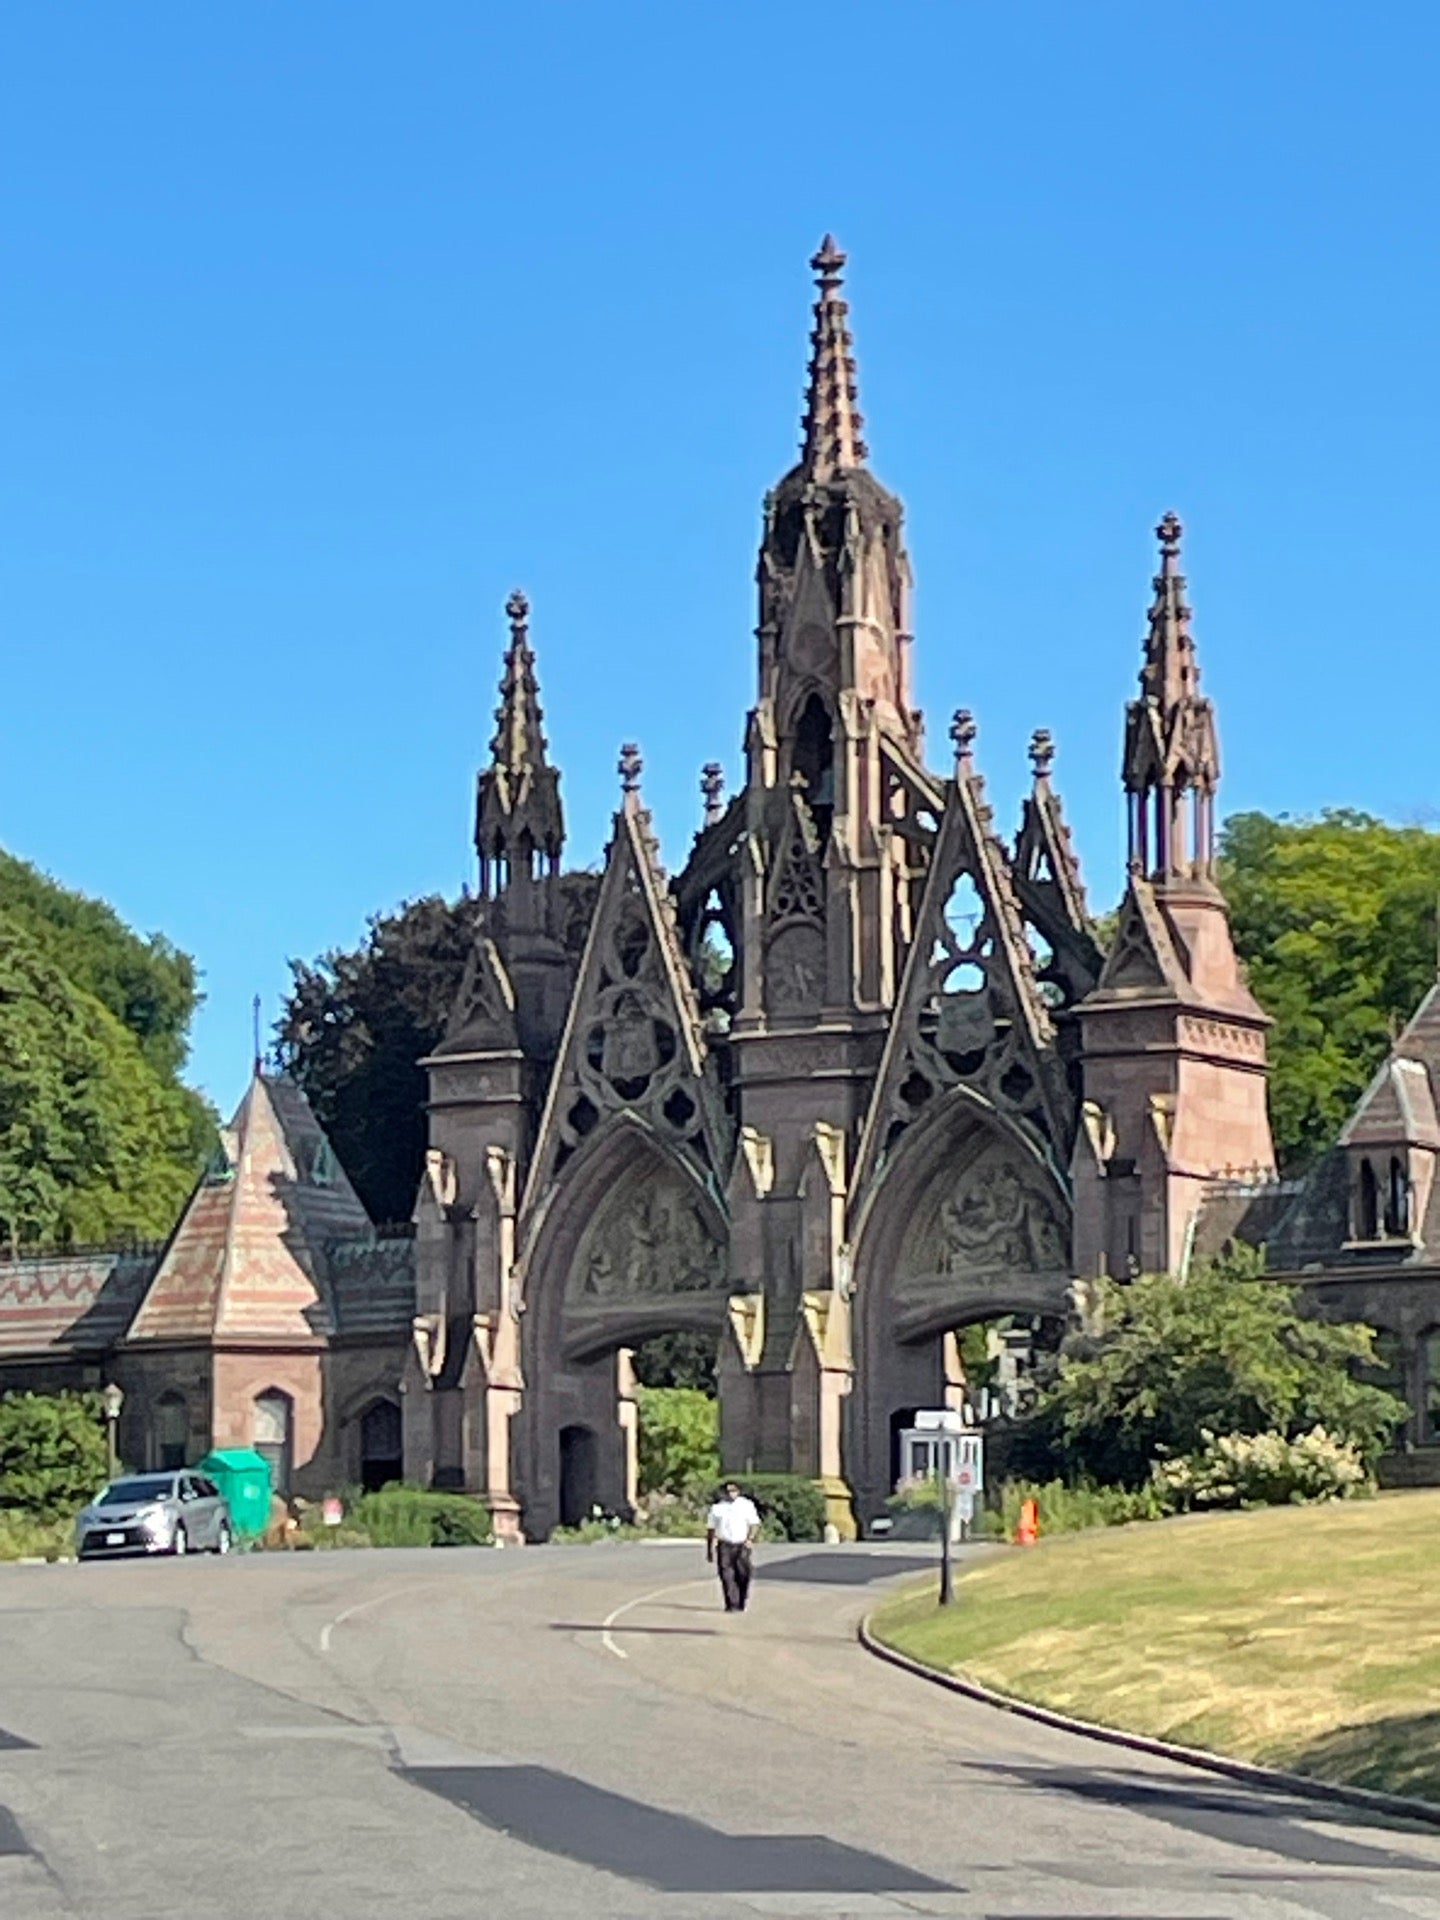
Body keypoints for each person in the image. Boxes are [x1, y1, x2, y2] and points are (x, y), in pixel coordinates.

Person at [706, 1481, 761, 1612]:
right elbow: (711, 1529)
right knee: (726, 1575)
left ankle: (742, 1599)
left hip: (742, 1544)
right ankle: (731, 1603)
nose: (732, 1494)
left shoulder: (746, 1505)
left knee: (743, 1573)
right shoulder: (718, 1508)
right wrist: (710, 1549)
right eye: (729, 1491)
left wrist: (750, 1539)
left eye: (734, 1490)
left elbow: (755, 1524)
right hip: (725, 1544)